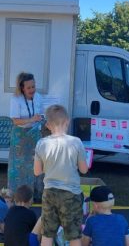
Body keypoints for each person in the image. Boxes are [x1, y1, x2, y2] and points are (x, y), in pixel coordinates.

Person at [34, 104, 89, 246]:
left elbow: (37, 171)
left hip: (49, 192)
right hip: (71, 194)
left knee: (47, 234)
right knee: (74, 236)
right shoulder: (76, 142)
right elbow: (84, 170)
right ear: (67, 121)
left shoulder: (41, 143)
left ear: (48, 124)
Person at [8, 72, 44, 198]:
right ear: (22, 88)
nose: (32, 90)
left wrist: (40, 119)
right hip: (20, 135)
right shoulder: (16, 99)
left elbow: (41, 114)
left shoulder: (38, 97)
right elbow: (15, 120)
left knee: (35, 163)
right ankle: (18, 194)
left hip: (35, 134)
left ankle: (36, 193)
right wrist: (31, 120)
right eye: (29, 88)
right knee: (19, 166)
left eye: (33, 86)